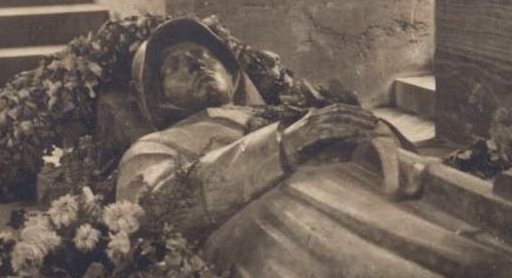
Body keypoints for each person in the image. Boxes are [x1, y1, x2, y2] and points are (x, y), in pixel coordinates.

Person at [112, 18, 403, 234]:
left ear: (233, 75)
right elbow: (153, 211)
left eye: (202, 55)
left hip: (362, 182)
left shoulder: (283, 112)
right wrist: (284, 144)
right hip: (280, 222)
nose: (195, 64)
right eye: (173, 66)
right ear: (157, 95)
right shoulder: (155, 146)